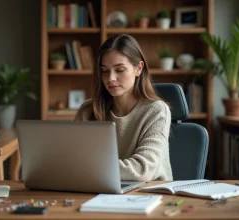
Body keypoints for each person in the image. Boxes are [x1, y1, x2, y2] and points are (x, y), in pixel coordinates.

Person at [74, 34, 173, 182]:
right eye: (105, 71)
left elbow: (143, 169)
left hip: (148, 193)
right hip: (97, 189)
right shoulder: (88, 110)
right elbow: (71, 159)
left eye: (119, 70)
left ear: (138, 69)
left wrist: (87, 168)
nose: (110, 78)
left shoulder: (157, 111)